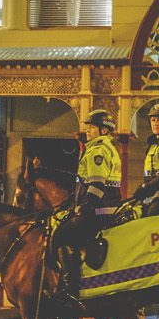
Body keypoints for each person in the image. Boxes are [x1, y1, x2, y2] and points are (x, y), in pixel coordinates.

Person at [57, 110, 121, 308]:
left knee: (62, 236)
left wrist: (83, 209)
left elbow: (96, 186)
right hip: (98, 209)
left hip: (99, 212)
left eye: (92, 127)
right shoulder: (97, 149)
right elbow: (84, 185)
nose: (88, 130)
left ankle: (71, 290)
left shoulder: (98, 151)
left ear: (103, 130)